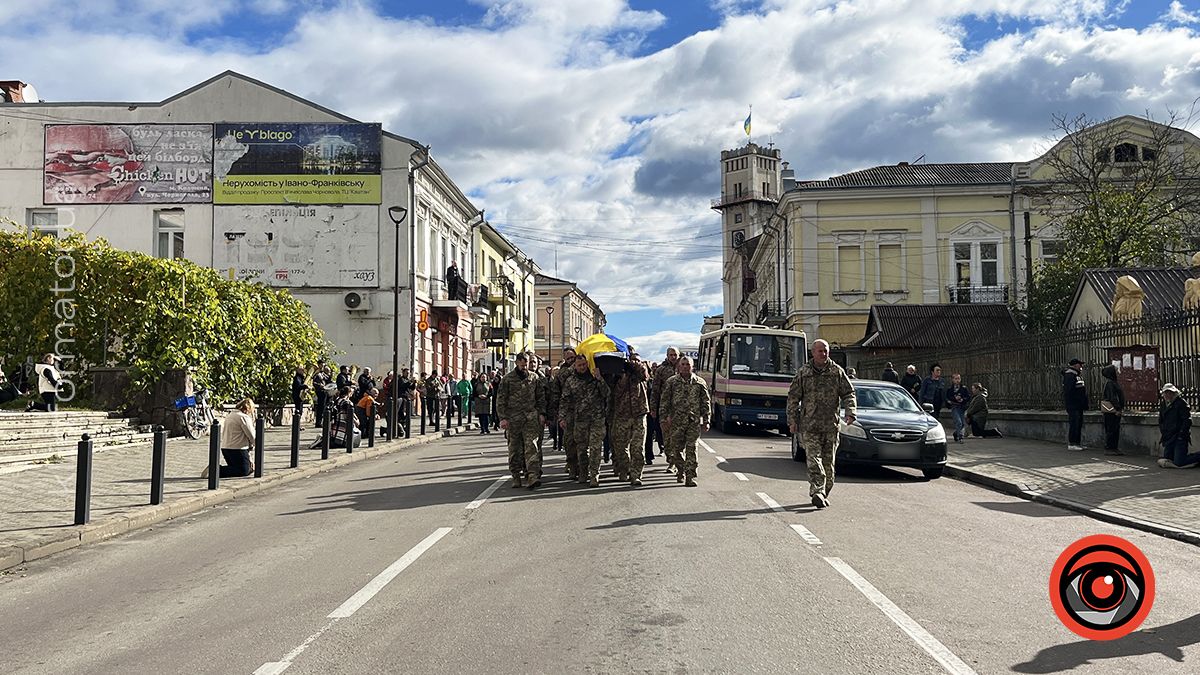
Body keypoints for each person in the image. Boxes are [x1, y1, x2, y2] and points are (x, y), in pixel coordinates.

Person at [787, 338, 856, 509]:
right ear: (813, 353)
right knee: (814, 460)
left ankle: (824, 492)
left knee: (829, 466)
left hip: (830, 426)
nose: (823, 354)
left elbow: (848, 393)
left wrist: (850, 412)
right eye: (820, 351)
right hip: (809, 426)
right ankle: (817, 490)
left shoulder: (836, 372)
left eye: (826, 351)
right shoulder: (804, 373)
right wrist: (792, 420)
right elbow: (793, 398)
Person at [659, 355, 710, 487]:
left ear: (692, 367)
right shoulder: (671, 382)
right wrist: (663, 419)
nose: (685, 367)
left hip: (693, 422)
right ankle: (680, 469)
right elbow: (664, 401)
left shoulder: (699, 382)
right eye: (683, 364)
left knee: (692, 448)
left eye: (688, 365)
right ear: (678, 366)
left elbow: (705, 402)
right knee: (675, 450)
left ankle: (690, 476)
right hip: (676, 422)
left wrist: (706, 420)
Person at [497, 353, 547, 488]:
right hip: (514, 419)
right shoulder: (507, 379)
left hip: (531, 418)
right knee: (515, 449)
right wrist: (503, 418)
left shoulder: (534, 377)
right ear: (517, 363)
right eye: (522, 364)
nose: (525, 367)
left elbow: (540, 397)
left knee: (532, 447)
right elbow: (501, 400)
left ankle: (532, 475)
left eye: (527, 364)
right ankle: (516, 475)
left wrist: (542, 413)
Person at [560, 355, 611, 487]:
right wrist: (562, 417)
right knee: (581, 449)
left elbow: (606, 394)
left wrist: (600, 379)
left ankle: (594, 474)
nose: (582, 367)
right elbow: (564, 400)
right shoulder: (570, 381)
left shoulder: (595, 378)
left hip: (597, 418)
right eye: (579, 365)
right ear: (575, 366)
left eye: (584, 364)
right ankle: (583, 472)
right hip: (580, 420)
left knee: (595, 448)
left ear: (587, 364)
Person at [610, 354, 650, 486]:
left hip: (639, 414)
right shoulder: (618, 375)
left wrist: (636, 365)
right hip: (622, 415)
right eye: (632, 360)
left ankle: (636, 475)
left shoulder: (639, 373)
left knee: (637, 447)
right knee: (620, 447)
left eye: (637, 360)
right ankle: (624, 469)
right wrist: (623, 372)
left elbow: (645, 375)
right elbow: (613, 391)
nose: (634, 362)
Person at [201, 398, 256, 478]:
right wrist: (256, 446)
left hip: (226, 448)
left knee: (237, 468)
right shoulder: (243, 417)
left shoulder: (230, 415)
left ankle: (215, 470)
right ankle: (214, 470)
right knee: (243, 470)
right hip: (238, 448)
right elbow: (251, 435)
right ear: (248, 408)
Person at [649, 347, 680, 470]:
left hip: (680, 408)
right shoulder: (661, 370)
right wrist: (653, 408)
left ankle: (678, 463)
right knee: (666, 438)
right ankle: (671, 460)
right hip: (665, 408)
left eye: (675, 355)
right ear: (667, 355)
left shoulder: (683, 367)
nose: (673, 357)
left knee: (678, 437)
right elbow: (655, 390)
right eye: (671, 355)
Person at [548, 349, 578, 471]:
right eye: (568, 358)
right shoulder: (563, 372)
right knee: (569, 440)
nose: (571, 360)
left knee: (581, 440)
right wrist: (556, 412)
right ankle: (571, 462)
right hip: (567, 410)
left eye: (573, 357)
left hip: (582, 410)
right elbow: (555, 392)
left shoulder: (582, 367)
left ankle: (580, 466)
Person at [1157, 383, 1196, 469]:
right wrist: (1163, 431)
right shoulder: (1164, 404)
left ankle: (1197, 457)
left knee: (1179, 462)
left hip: (1179, 436)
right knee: (1168, 458)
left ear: (1174, 393)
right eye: (1165, 393)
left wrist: (1181, 434)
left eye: (1169, 393)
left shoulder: (1181, 403)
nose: (1167, 395)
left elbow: (1187, 420)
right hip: (1169, 436)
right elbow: (1161, 420)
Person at [1062, 358, 1087, 451]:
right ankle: (1072, 443)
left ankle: (1077, 443)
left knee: (1078, 423)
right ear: (1075, 365)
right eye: (1080, 365)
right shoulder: (1070, 375)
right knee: (1074, 423)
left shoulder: (1077, 375)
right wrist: (1075, 402)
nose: (1081, 366)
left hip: (1078, 404)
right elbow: (1069, 391)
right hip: (1073, 405)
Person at [1101, 364, 1125, 455]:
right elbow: (1112, 397)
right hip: (1112, 410)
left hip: (1113, 410)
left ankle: (1113, 447)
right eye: (1116, 370)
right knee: (1111, 429)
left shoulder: (1113, 382)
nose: (1118, 372)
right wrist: (1118, 408)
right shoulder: (1110, 383)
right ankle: (1110, 448)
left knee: (1115, 429)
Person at [945, 373, 971, 443]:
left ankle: (956, 433)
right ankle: (960, 437)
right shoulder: (950, 389)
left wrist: (963, 399)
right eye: (955, 379)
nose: (957, 380)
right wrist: (954, 398)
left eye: (958, 378)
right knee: (958, 422)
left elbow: (968, 397)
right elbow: (947, 397)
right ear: (952, 380)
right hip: (954, 407)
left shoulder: (964, 388)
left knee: (962, 423)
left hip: (962, 407)